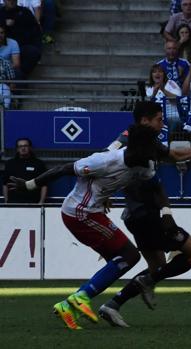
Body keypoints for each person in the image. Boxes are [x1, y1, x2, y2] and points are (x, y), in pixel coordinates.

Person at [7, 124, 167, 330]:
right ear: (138, 147)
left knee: (120, 259)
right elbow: (63, 169)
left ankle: (69, 305)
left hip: (92, 212)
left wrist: (166, 213)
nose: (154, 152)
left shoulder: (144, 164)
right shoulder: (105, 160)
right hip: (78, 212)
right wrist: (30, 185)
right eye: (151, 147)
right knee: (129, 256)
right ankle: (80, 297)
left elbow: (156, 186)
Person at [97, 101, 191, 328]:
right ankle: (143, 285)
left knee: (157, 267)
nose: (162, 123)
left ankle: (112, 305)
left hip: (138, 216)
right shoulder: (126, 140)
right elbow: (101, 159)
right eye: (159, 119)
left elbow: (178, 154)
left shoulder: (148, 140)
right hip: (146, 215)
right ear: (145, 120)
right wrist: (103, 192)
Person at [2, 138, 47, 204]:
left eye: (25, 146)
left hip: (33, 203)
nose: (23, 148)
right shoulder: (10, 164)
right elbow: (5, 184)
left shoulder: (39, 164)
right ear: (17, 149)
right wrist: (6, 201)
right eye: (20, 146)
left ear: (30, 148)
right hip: (13, 203)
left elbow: (44, 185)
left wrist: (41, 202)